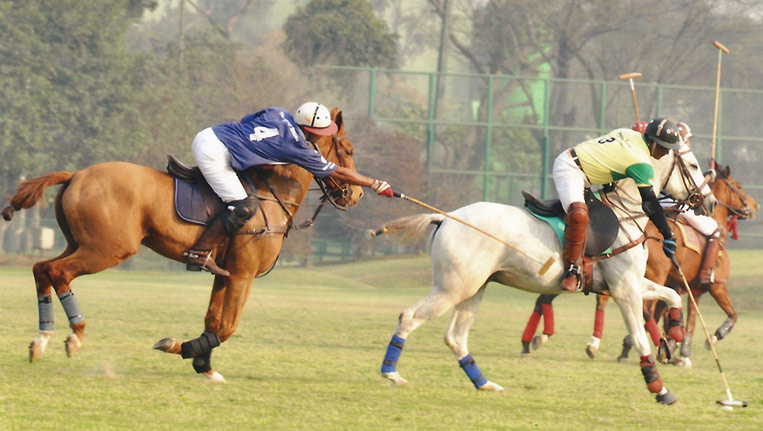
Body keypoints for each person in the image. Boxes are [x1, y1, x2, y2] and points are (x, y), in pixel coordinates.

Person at [186, 102, 394, 276]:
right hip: (213, 152)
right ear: (310, 131)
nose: (321, 137)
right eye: (320, 133)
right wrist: (374, 183)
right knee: (244, 206)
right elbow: (337, 173)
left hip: (210, 134)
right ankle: (200, 252)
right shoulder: (298, 148)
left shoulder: (278, 113)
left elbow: (247, 121)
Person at [553, 118, 680, 292]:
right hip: (571, 169)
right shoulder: (642, 163)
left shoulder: (629, 134)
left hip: (582, 171)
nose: (666, 153)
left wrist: (609, 181)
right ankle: (571, 270)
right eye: (664, 147)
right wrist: (667, 233)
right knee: (579, 214)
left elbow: (607, 153)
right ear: (652, 142)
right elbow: (649, 204)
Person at [661, 121, 724, 285]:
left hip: (656, 204)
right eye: (687, 139)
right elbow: (689, 188)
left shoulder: (661, 154)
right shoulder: (679, 156)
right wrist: (710, 176)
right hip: (675, 204)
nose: (689, 142)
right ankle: (705, 274)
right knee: (716, 230)